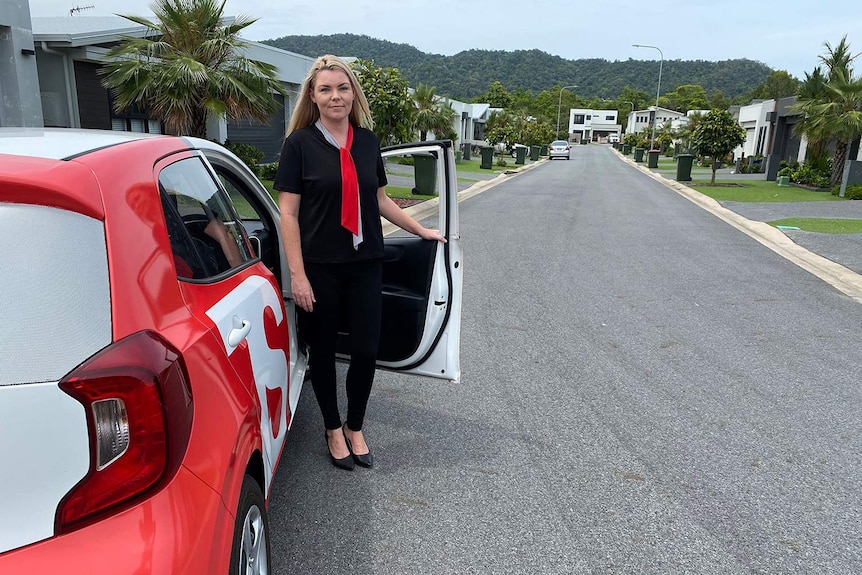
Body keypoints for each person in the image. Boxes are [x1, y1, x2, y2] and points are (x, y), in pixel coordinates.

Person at [274, 55, 445, 471]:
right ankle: (332, 427)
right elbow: (289, 215)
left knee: (367, 349)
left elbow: (381, 200)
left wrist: (422, 232)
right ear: (313, 97)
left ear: (353, 93)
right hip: (320, 267)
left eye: (343, 88)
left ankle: (355, 426)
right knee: (325, 350)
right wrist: (298, 276)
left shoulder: (367, 142)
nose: (336, 96)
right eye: (326, 89)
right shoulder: (298, 145)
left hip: (367, 261)